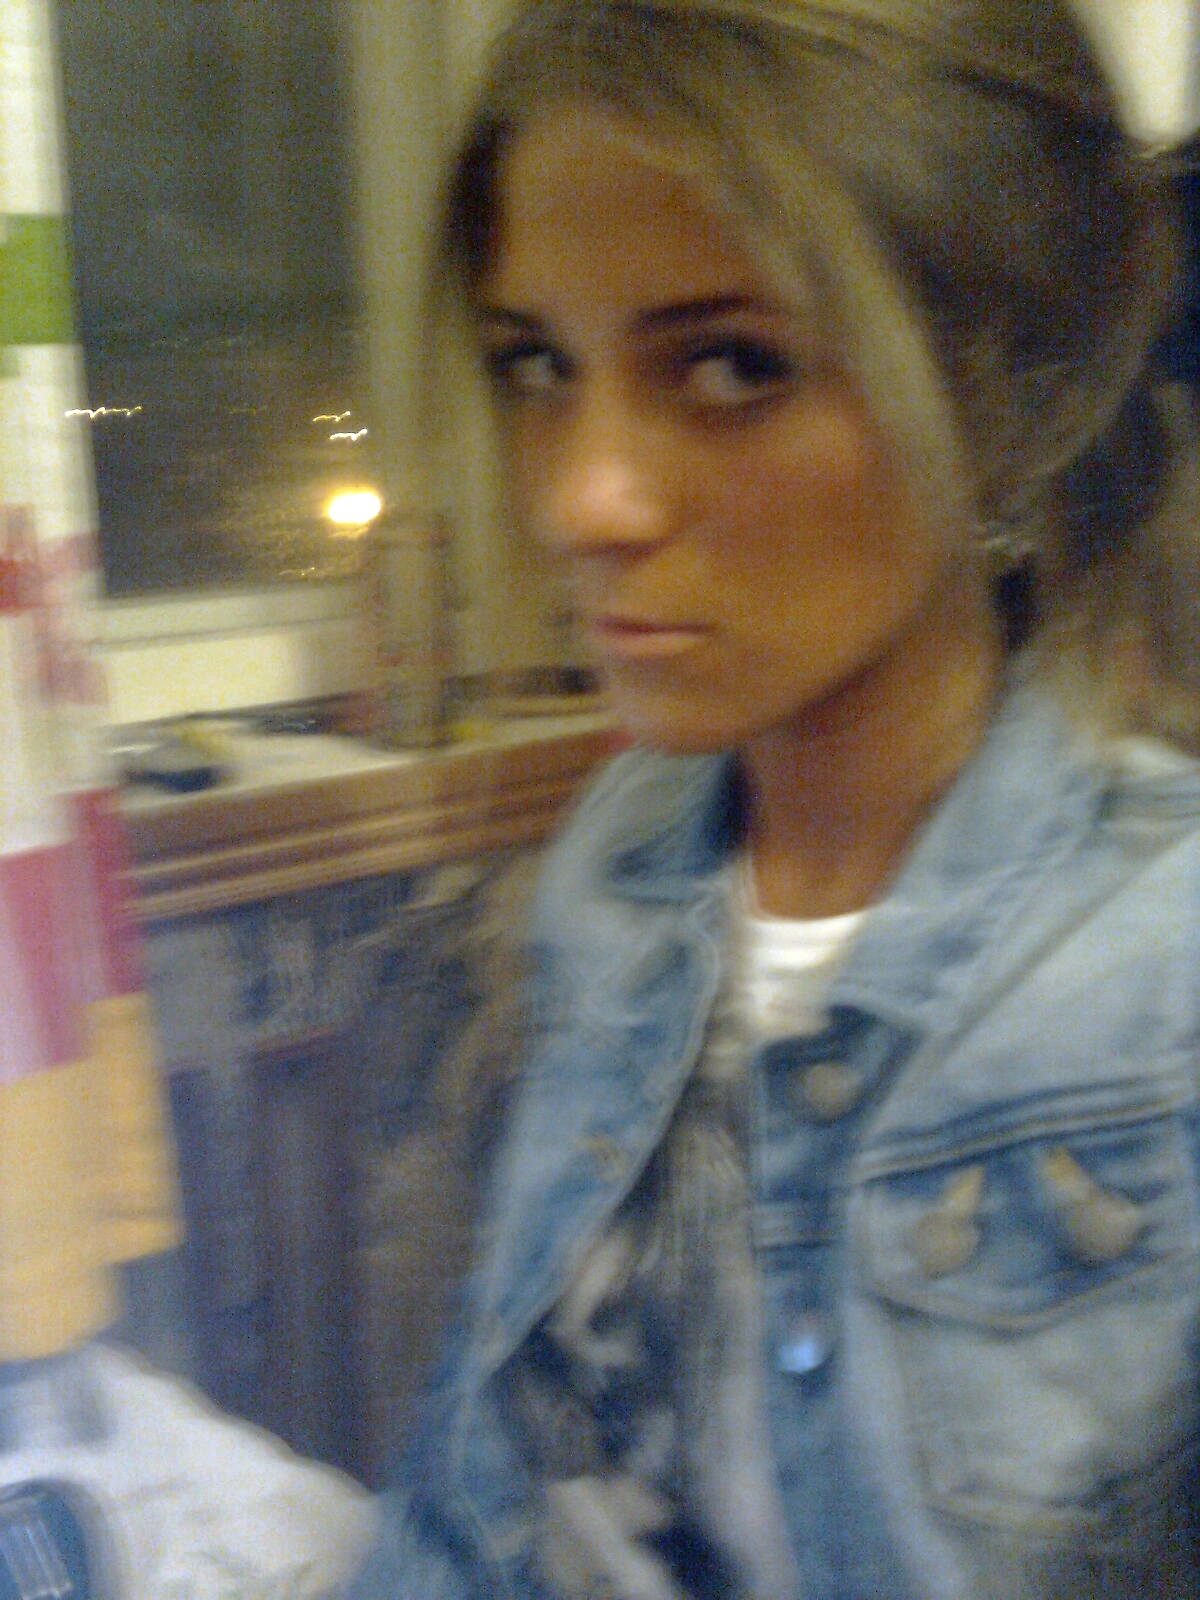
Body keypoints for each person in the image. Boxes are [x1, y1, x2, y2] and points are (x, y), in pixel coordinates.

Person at [350, 2, 1200, 1595]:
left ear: (1010, 388)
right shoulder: (620, 869)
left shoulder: (1162, 971)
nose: (584, 500)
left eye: (732, 366)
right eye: (538, 365)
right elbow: (484, 1484)